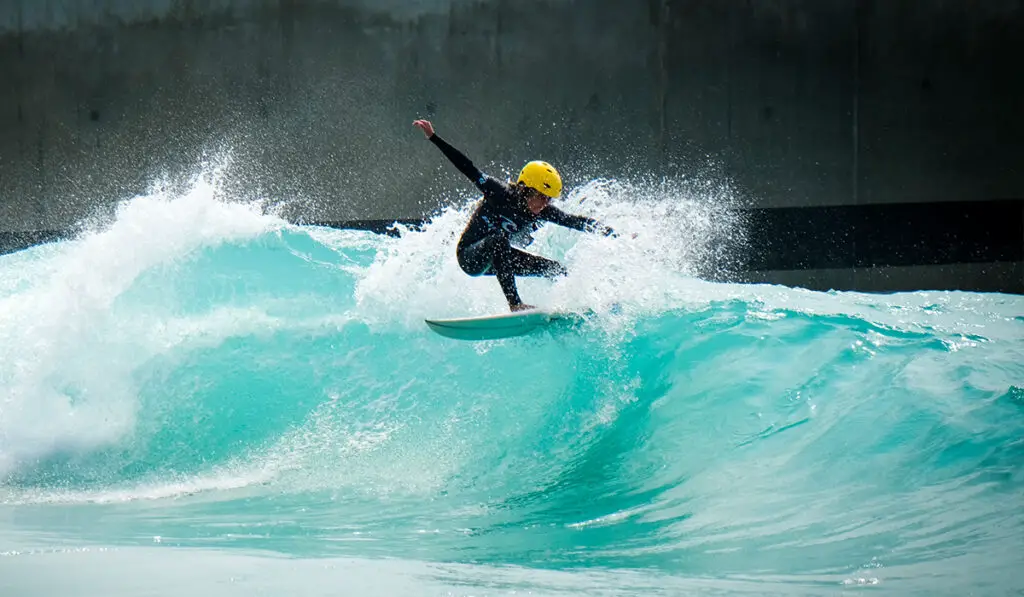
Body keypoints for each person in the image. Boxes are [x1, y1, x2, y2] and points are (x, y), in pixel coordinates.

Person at [413, 119, 616, 312]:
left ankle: (584, 301)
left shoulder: (542, 211)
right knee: (498, 241)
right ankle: (515, 305)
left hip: (501, 262)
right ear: (526, 189)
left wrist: (614, 234)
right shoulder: (499, 192)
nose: (546, 203)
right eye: (542, 197)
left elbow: (575, 221)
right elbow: (468, 167)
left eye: (549, 199)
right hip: (471, 257)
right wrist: (433, 137)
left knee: (555, 269)